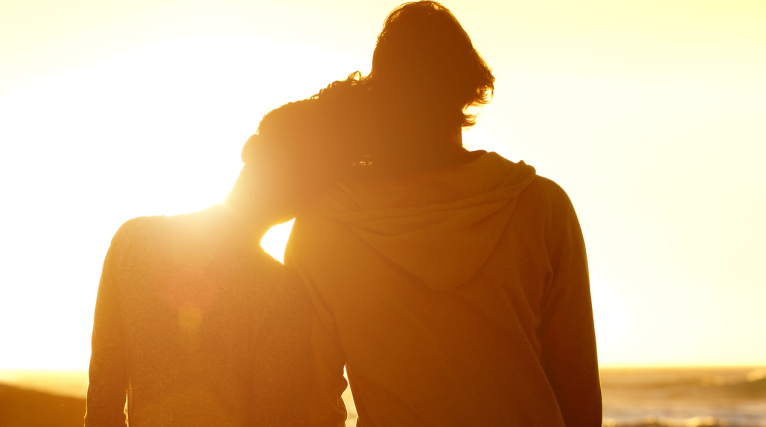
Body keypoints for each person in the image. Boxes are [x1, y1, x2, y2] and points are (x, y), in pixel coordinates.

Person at [253, 1, 602, 426]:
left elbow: (310, 404)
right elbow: (578, 393)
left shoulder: (327, 226)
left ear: (381, 99)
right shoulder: (541, 207)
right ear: (468, 88)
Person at [84, 133, 312, 426]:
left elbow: (103, 399)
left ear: (250, 149)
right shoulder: (281, 292)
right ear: (308, 198)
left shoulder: (133, 241)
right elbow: (277, 418)